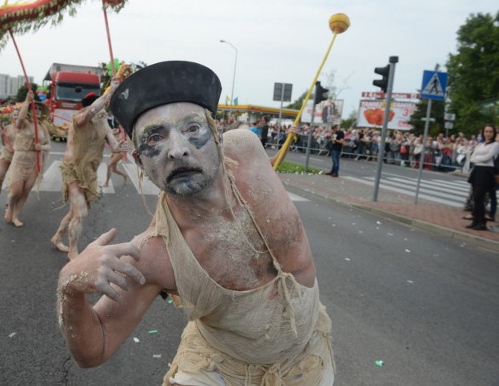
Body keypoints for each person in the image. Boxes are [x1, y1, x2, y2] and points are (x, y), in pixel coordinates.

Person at [57, 61, 334, 385]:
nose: (177, 150)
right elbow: (94, 350)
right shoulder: (154, 255)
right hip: (220, 369)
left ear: (217, 135)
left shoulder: (247, 152)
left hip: (310, 356)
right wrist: (68, 284)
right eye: (155, 138)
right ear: (139, 161)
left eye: (192, 129)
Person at [50, 81, 123, 256]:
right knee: (81, 212)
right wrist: (110, 91)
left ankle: (57, 237)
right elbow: (90, 113)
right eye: (99, 107)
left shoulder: (103, 124)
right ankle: (73, 250)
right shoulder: (79, 119)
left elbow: (115, 147)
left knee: (76, 211)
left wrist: (123, 145)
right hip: (72, 169)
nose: (103, 111)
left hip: (89, 172)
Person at [4, 92, 51, 227]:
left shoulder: (43, 127)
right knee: (15, 192)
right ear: (30, 111)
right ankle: (10, 208)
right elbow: (19, 120)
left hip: (34, 162)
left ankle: (15, 215)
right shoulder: (24, 123)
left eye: (39, 109)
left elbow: (48, 146)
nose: (37, 110)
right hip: (20, 159)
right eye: (35, 108)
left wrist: (40, 146)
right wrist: (26, 101)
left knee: (26, 191)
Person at [465, 124, 499, 231]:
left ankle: (482, 222)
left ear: (493, 133)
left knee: (480, 196)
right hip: (477, 171)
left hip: (486, 172)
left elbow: (488, 157)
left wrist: (478, 158)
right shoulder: (480, 144)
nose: (488, 134)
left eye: (490, 132)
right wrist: (479, 158)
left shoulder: (495, 144)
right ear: (483, 133)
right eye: (486, 131)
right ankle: (476, 220)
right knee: (476, 197)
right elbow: (472, 157)